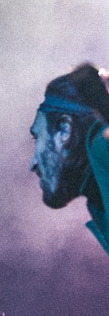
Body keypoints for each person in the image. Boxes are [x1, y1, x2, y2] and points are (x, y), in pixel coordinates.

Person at [29, 62, 109, 252]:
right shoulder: (98, 205)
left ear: (64, 129)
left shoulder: (100, 149)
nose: (33, 164)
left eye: (37, 137)